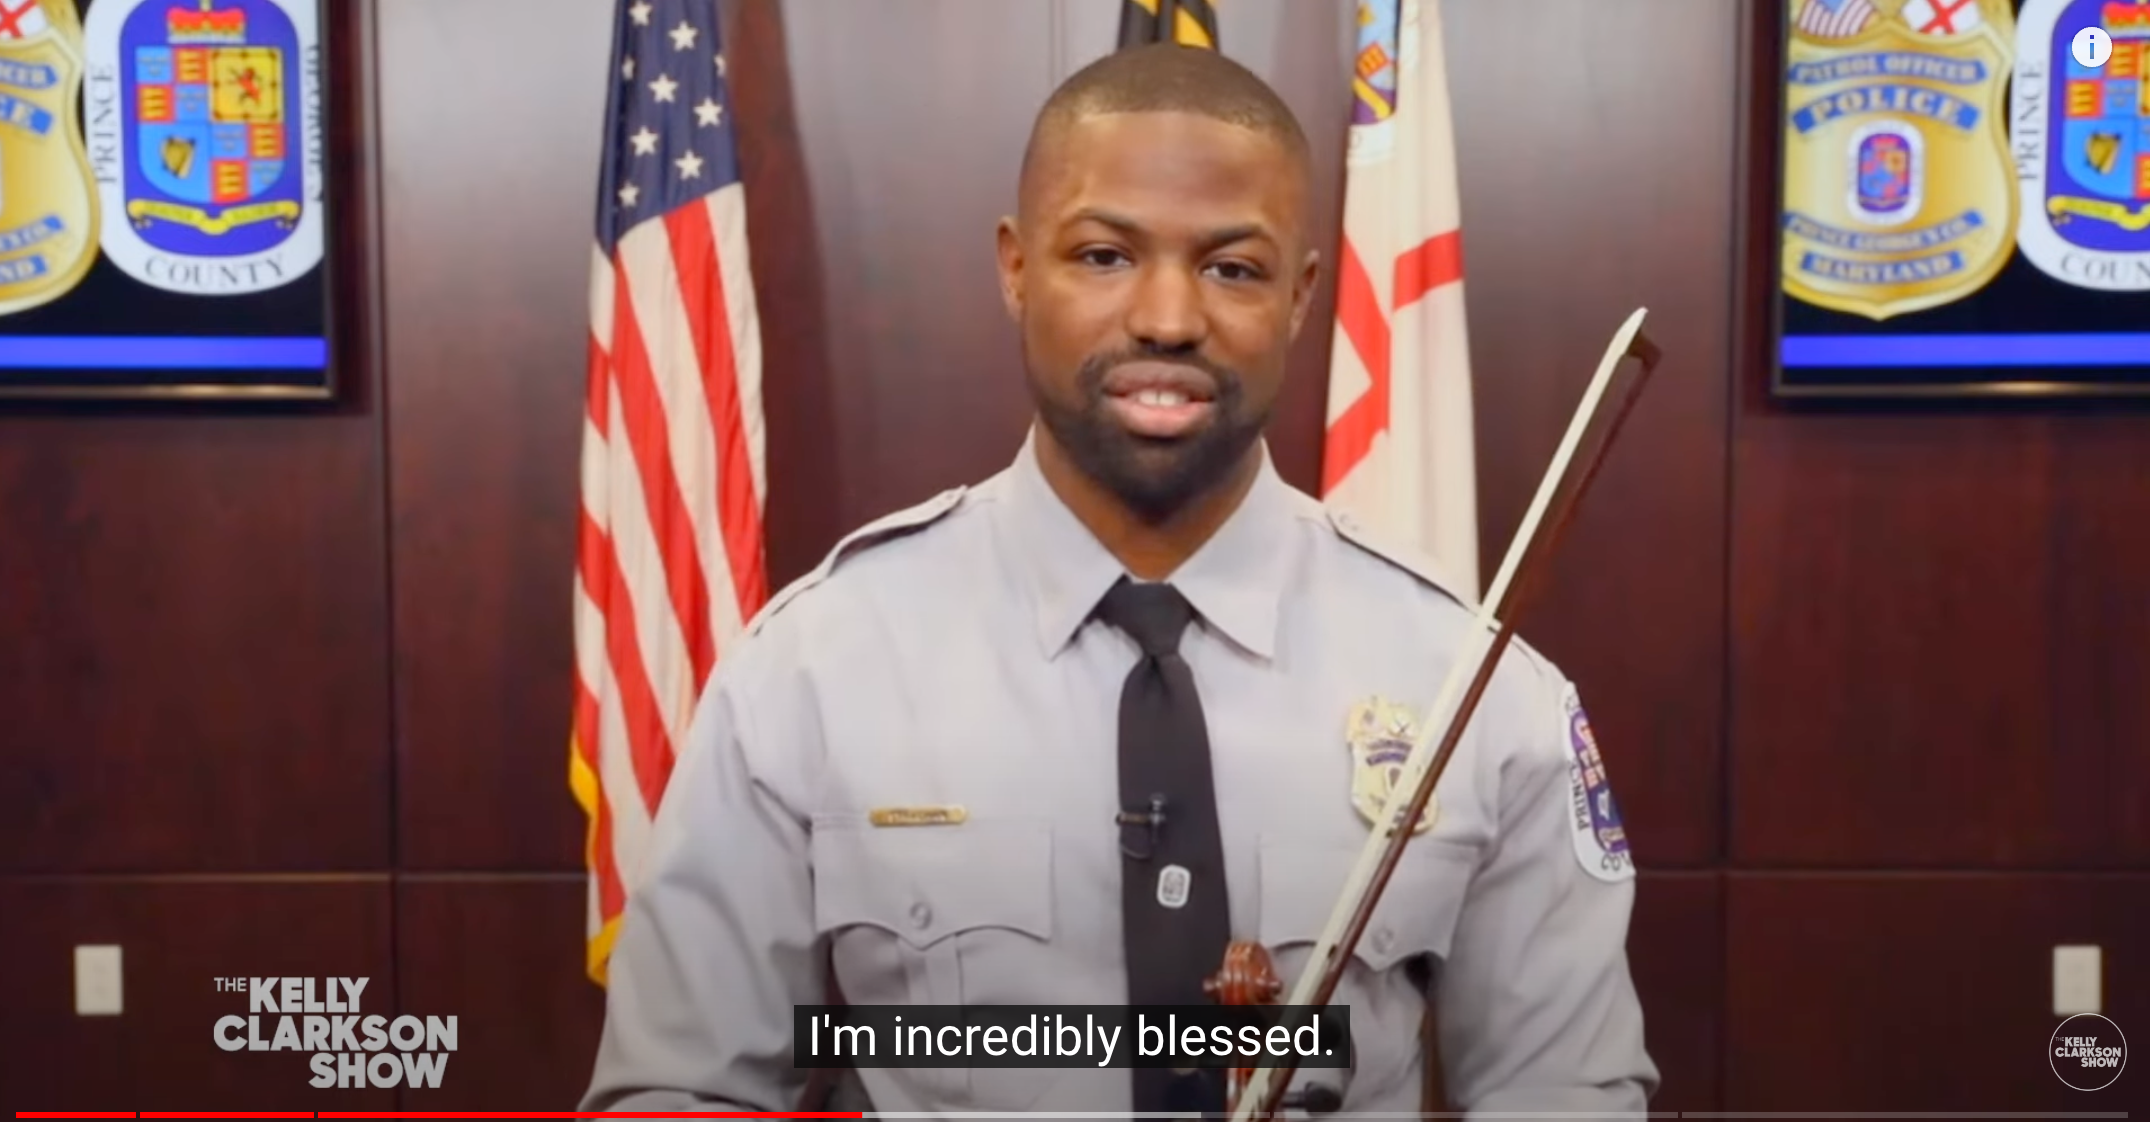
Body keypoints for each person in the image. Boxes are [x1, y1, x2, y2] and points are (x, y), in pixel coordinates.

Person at [580, 42, 1658, 1118]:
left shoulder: (1474, 689)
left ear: (1299, 295)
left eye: (1232, 267)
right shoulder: (812, 664)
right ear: (1014, 268)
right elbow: (681, 1089)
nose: (1166, 319)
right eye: (1101, 256)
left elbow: (1560, 1094)